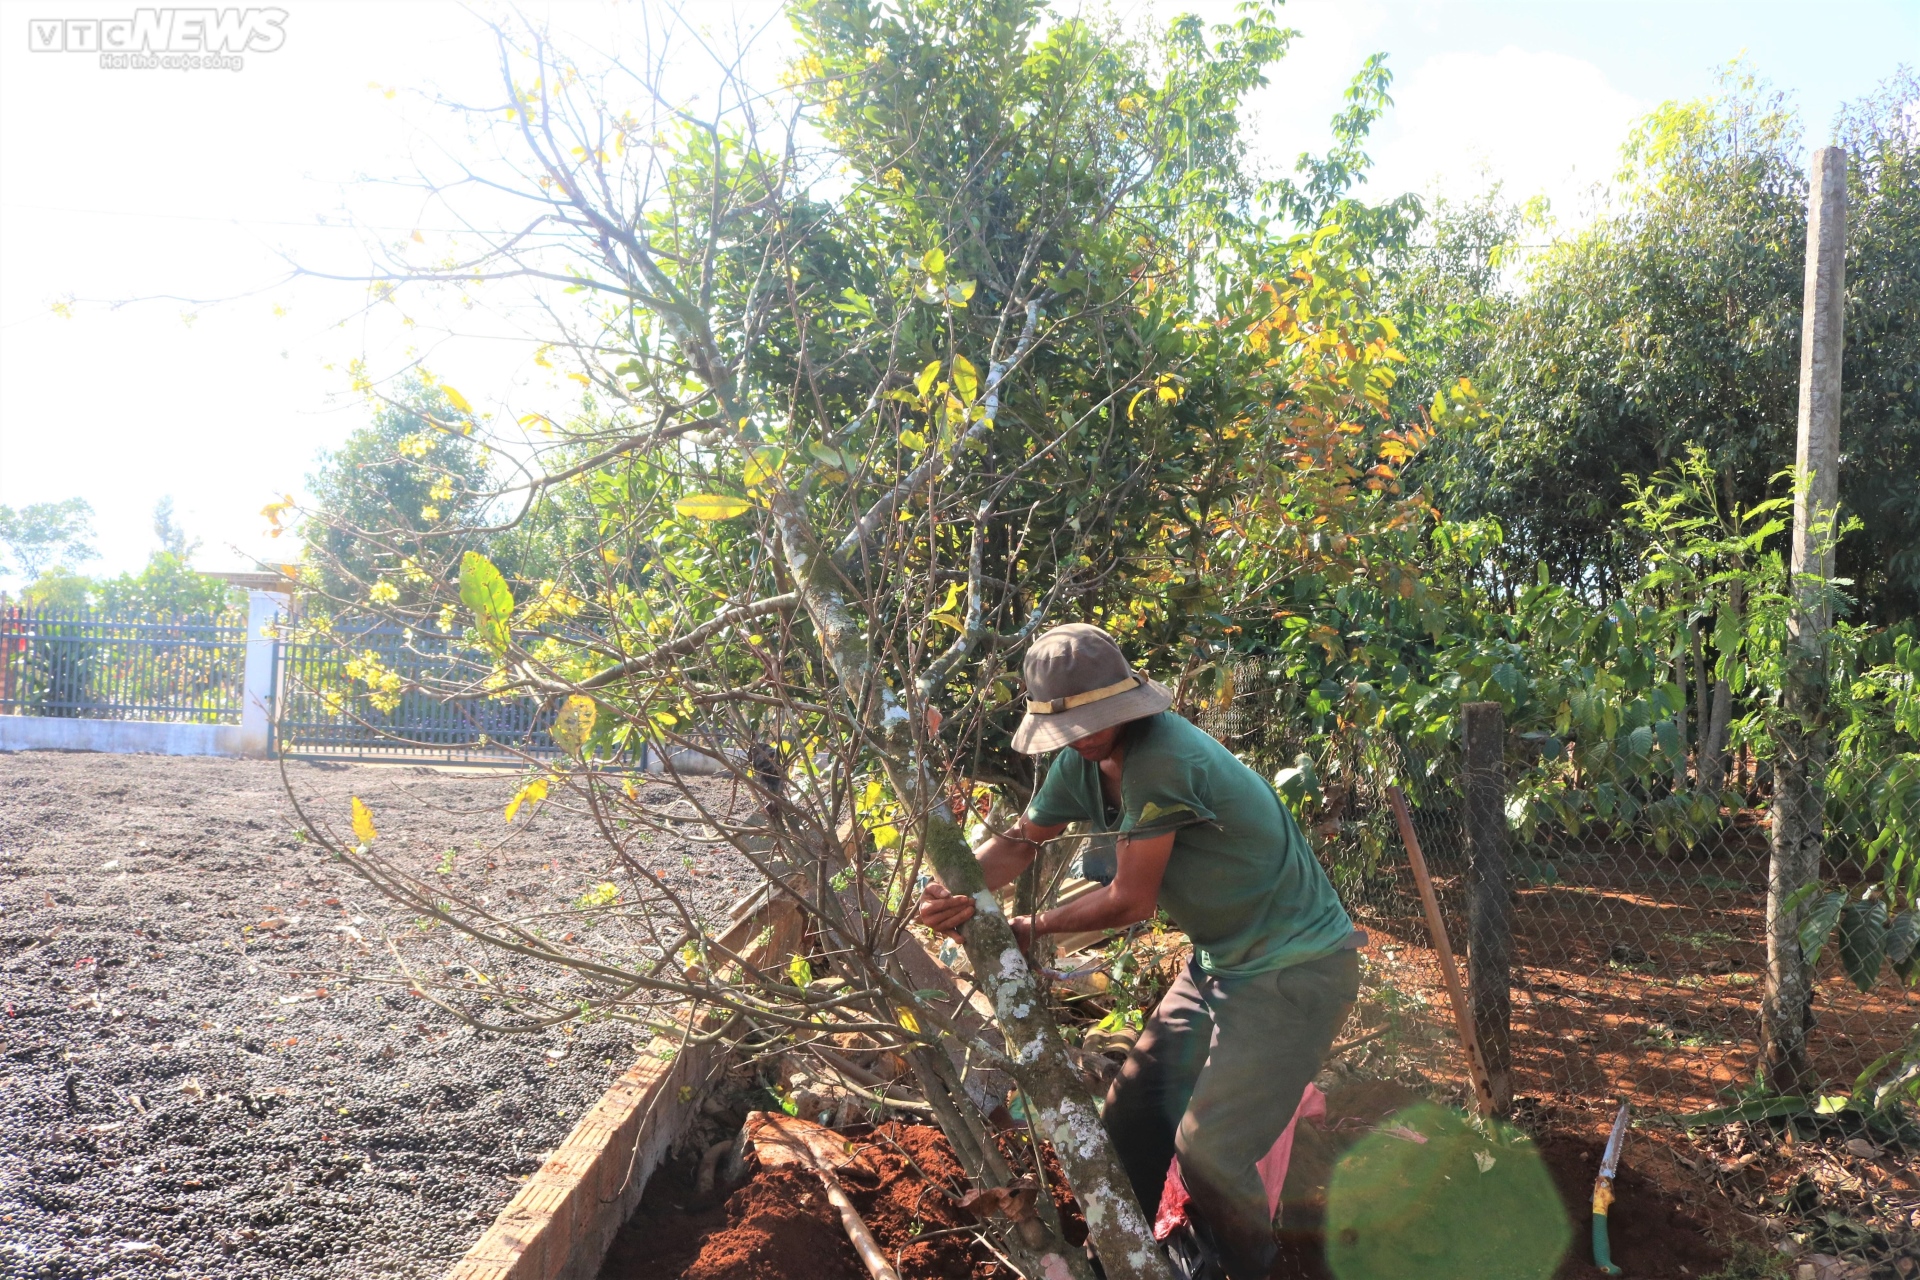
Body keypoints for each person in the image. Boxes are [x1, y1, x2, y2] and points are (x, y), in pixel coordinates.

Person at [917, 623, 1361, 1280]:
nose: (1088, 735)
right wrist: (953, 890)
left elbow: (1131, 901)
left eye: (1100, 718)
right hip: (1221, 966)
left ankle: (1247, 1271)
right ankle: (1123, 1263)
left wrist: (1026, 927)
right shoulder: (1083, 765)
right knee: (1129, 1122)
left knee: (1211, 1155)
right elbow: (1018, 842)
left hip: (1294, 972)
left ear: (1127, 702)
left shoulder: (1163, 758)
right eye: (1074, 726)